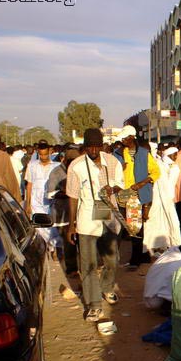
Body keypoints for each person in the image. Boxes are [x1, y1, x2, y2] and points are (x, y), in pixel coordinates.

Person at [66, 128, 125, 322]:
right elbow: (73, 197)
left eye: (96, 146)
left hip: (107, 213)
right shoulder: (76, 166)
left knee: (112, 260)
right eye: (89, 146)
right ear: (84, 147)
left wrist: (112, 188)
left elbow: (120, 184)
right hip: (86, 217)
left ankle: (107, 288)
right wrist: (71, 225)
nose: (93, 150)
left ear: (102, 146)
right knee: (88, 264)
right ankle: (94, 304)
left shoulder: (112, 161)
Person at [120, 133, 160, 269]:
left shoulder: (143, 154)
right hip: (121, 193)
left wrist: (142, 184)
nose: (122, 140)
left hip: (135, 195)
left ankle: (135, 260)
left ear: (131, 137)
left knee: (135, 227)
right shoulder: (119, 153)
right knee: (120, 228)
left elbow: (155, 172)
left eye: (124, 138)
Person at [46, 147, 80, 276]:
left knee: (82, 242)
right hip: (63, 213)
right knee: (69, 242)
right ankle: (72, 269)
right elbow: (50, 194)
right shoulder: (56, 172)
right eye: (70, 161)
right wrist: (67, 193)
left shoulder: (79, 170)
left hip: (79, 212)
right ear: (65, 161)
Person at [143, 146, 181, 256]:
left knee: (172, 223)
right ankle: (153, 248)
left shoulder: (174, 167)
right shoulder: (159, 165)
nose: (176, 157)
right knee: (155, 223)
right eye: (175, 155)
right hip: (158, 200)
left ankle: (172, 246)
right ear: (169, 155)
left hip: (169, 200)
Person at [25, 140, 61, 249]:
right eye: (41, 154)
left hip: (51, 202)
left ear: (50, 152)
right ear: (38, 153)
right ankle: (46, 247)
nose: (43, 157)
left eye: (45, 154)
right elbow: (29, 185)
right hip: (36, 202)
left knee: (52, 226)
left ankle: (54, 247)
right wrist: (28, 204)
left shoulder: (57, 166)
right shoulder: (32, 165)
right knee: (39, 226)